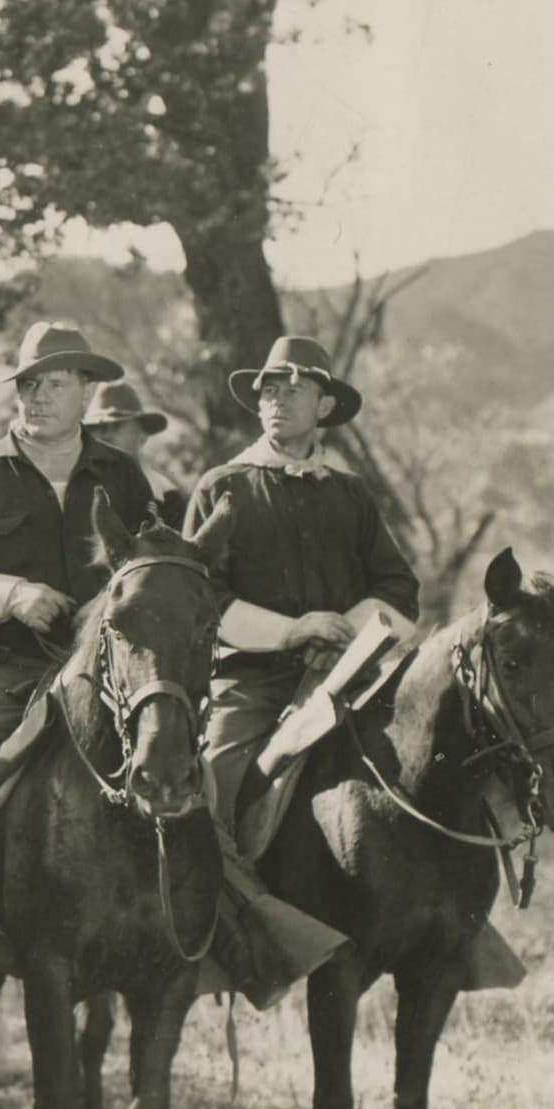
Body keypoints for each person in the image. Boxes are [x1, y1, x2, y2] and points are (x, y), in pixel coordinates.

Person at [0, 323, 150, 847]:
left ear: (87, 394)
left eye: (54, 384)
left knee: (187, 800)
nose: (36, 397)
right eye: (28, 385)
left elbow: (152, 574)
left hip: (104, 683)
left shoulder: (124, 476)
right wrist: (13, 595)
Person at [188, 335, 421, 845]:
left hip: (347, 676)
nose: (277, 400)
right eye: (269, 390)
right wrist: (293, 631)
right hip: (251, 684)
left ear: (326, 405)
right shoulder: (220, 487)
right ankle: (222, 911)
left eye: (294, 390)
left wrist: (343, 632)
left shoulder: (350, 493)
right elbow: (199, 595)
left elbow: (399, 589)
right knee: (211, 788)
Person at [85, 380, 190, 527]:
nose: (106, 436)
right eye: (97, 427)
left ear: (142, 435)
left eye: (116, 426)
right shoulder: (71, 488)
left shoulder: (166, 495)